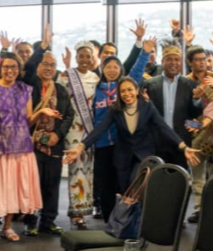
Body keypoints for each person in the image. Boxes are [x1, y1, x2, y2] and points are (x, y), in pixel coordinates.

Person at [65, 77, 200, 193]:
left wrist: (184, 147)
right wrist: (80, 148)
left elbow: (164, 127)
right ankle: (129, 222)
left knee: (136, 186)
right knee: (125, 190)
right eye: (122, 91)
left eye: (130, 89)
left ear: (136, 91)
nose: (126, 93)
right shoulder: (115, 110)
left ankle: (140, 220)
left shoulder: (147, 107)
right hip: (123, 157)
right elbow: (100, 129)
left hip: (144, 155)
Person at [0, 54, 43, 248]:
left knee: (13, 188)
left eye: (14, 67)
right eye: (6, 67)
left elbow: (28, 120)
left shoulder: (24, 89)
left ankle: (7, 226)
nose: (10, 70)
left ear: (19, 69)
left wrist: (41, 113)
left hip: (20, 146)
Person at [88, 41, 150, 223]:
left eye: (116, 67)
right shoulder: (95, 91)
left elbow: (137, 71)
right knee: (106, 185)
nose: (112, 70)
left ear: (120, 69)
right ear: (102, 69)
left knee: (123, 183)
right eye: (108, 67)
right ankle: (109, 221)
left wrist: (144, 52)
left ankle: (125, 219)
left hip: (123, 145)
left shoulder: (124, 88)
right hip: (102, 145)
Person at [21, 35, 72, 236]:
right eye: (45, 64)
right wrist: (41, 48)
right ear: (38, 66)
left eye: (53, 64)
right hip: (30, 144)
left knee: (52, 184)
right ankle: (30, 221)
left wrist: (57, 135)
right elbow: (28, 67)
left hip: (54, 144)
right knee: (32, 183)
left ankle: (48, 221)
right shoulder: (29, 85)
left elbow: (69, 115)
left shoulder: (60, 89)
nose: (49, 68)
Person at [59, 42, 99, 229]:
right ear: (76, 58)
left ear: (93, 59)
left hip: (89, 130)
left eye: (88, 56)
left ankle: (85, 209)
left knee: (88, 170)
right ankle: (76, 213)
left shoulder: (96, 78)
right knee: (76, 169)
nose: (85, 59)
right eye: (81, 56)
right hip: (72, 129)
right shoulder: (67, 77)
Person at [141, 45, 201, 169]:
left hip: (181, 141)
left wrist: (196, 99)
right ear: (162, 62)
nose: (173, 63)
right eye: (169, 59)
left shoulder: (190, 84)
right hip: (157, 141)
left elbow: (194, 114)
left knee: (179, 180)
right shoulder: (150, 84)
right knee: (156, 178)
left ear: (181, 62)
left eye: (177, 59)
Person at [184, 45, 213, 220]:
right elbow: (184, 109)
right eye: (198, 60)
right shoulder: (185, 82)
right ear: (190, 62)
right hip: (196, 133)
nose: (202, 63)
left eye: (204, 59)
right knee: (197, 174)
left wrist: (208, 88)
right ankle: (200, 208)